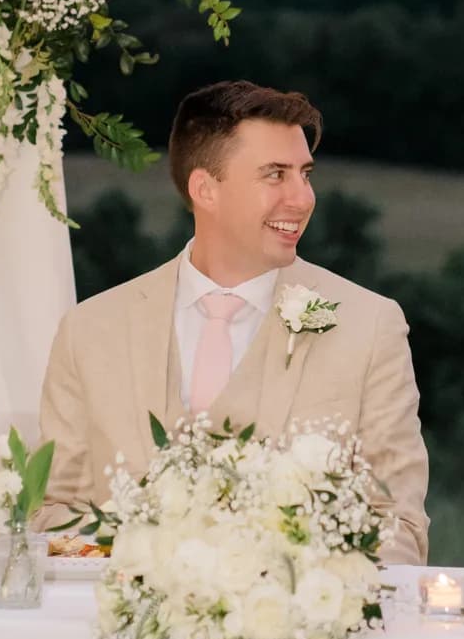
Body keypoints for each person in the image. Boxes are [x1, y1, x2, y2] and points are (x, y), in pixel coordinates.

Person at [39, 79, 429, 562]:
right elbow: (56, 512)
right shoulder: (89, 331)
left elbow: (397, 524)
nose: (303, 198)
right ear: (205, 188)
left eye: (305, 174)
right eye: (275, 174)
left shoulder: (371, 326)